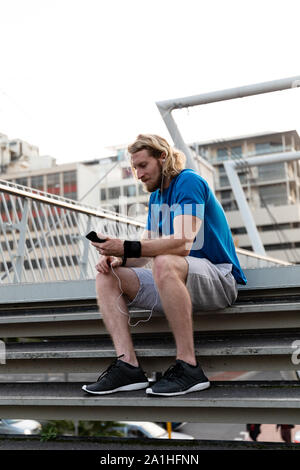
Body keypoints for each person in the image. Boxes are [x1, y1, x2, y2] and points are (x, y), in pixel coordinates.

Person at [82, 134, 247, 397]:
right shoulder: (157, 198)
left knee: (166, 261)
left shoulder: (189, 182)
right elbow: (145, 251)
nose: (138, 174)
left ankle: (189, 366)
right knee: (108, 275)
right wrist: (119, 257)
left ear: (163, 157)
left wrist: (125, 246)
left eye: (143, 165)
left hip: (218, 279)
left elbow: (181, 243)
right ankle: (128, 366)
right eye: (134, 168)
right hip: (177, 280)